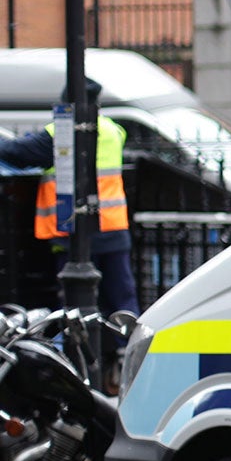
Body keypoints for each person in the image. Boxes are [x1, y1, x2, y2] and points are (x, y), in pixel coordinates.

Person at [0, 84, 138, 315]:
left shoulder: (62, 132)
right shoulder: (114, 130)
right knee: (120, 297)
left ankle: (75, 347)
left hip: (74, 228)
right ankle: (126, 346)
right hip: (113, 225)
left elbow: (17, 153)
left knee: (73, 301)